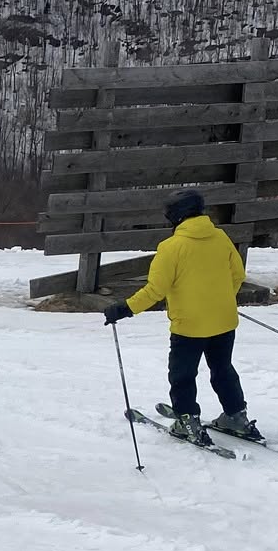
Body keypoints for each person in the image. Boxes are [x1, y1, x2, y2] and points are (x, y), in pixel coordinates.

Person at [104, 190, 259, 446]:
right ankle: (236, 416)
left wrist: (124, 308)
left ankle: (188, 421)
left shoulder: (171, 247)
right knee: (223, 370)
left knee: (182, 375)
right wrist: (219, 300)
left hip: (189, 327)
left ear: (177, 216)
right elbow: (237, 275)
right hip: (224, 321)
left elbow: (155, 290)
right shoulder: (220, 237)